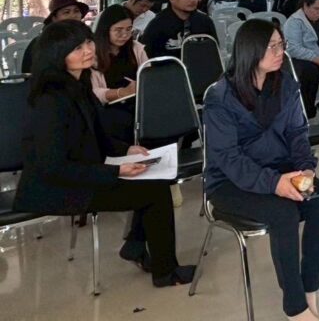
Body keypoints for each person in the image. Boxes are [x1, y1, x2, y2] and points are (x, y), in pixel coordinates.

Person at [14, 21, 195, 286]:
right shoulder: (50, 100)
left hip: (83, 172)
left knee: (156, 179)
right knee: (155, 193)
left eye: (88, 42)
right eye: (77, 48)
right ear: (58, 54)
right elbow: (54, 167)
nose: (88, 50)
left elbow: (96, 135)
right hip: (57, 187)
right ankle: (165, 271)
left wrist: (127, 150)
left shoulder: (77, 84)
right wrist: (116, 170)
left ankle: (136, 247)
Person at [204, 19, 319, 321]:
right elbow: (228, 158)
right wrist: (274, 183)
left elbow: (297, 133)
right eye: (272, 46)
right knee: (283, 212)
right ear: (251, 50)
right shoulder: (221, 96)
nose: (279, 52)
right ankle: (295, 308)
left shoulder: (284, 84)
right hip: (229, 183)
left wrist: (305, 168)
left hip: (280, 170)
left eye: (281, 45)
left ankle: (309, 292)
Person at [91, 5, 149, 144]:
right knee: (121, 121)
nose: (124, 35)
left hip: (138, 103)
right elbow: (93, 93)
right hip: (109, 107)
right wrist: (122, 92)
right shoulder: (93, 54)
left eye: (129, 29)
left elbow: (148, 75)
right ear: (106, 29)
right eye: (118, 30)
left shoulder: (136, 48)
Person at [283, 0, 319, 117]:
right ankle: (307, 111)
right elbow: (293, 48)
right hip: (305, 60)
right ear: (305, 5)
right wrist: (318, 60)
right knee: (309, 71)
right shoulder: (294, 21)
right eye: (316, 9)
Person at [140, 0, 218, 60]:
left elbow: (215, 54)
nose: (193, 0)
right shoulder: (158, 24)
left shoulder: (205, 22)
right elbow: (146, 58)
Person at [21, 0, 90, 75]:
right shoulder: (44, 43)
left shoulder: (86, 39)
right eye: (66, 12)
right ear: (54, 18)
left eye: (76, 11)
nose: (73, 15)